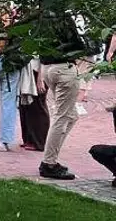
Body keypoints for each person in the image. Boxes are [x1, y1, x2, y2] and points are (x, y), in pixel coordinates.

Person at [38, 14, 91, 180]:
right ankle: (49, 163)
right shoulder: (64, 18)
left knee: (71, 116)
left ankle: (51, 158)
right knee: (62, 117)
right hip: (64, 68)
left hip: (49, 68)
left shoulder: (41, 18)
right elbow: (78, 44)